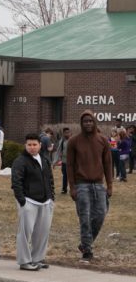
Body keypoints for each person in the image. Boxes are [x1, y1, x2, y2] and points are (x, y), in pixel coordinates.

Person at [67, 110, 113, 263]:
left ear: (94, 122)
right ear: (81, 123)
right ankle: (87, 251)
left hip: (99, 185)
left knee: (100, 215)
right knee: (85, 218)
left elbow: (108, 164)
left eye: (90, 121)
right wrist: (72, 187)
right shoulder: (74, 141)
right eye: (85, 121)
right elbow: (69, 166)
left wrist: (110, 185)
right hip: (81, 185)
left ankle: (84, 243)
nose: (88, 123)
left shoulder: (102, 140)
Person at [11, 133, 55, 271]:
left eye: (34, 144)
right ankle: (24, 261)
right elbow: (16, 182)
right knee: (25, 233)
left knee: (42, 232)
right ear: (25, 145)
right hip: (28, 201)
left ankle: (37, 258)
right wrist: (22, 201)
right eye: (29, 144)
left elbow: (50, 179)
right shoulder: (20, 161)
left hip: (45, 201)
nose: (32, 147)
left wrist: (51, 197)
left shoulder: (45, 159)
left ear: (40, 145)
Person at [57, 127, 71, 194]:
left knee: (71, 176)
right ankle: (64, 189)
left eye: (68, 132)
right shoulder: (62, 141)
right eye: (65, 133)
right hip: (64, 161)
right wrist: (57, 160)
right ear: (63, 133)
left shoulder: (72, 141)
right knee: (65, 176)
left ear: (70, 133)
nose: (67, 134)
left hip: (71, 162)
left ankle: (72, 188)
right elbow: (59, 151)